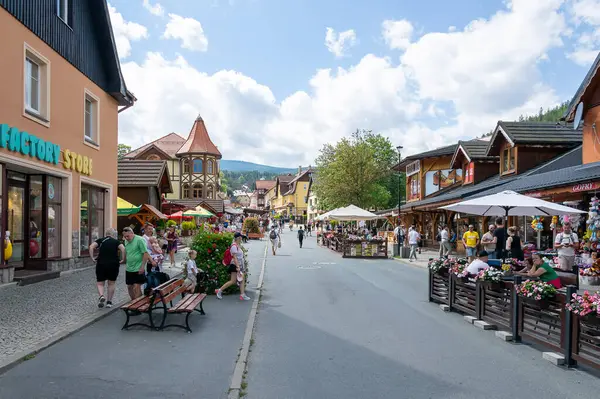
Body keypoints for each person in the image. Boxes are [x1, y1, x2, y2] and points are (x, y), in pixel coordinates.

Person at [89, 228, 125, 309]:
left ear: (106, 234)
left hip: (101, 263)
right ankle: (109, 302)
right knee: (111, 283)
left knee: (100, 283)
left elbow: (91, 247)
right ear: (113, 234)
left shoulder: (101, 240)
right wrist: (123, 259)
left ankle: (101, 296)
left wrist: (92, 258)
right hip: (113, 264)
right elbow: (123, 249)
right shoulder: (116, 241)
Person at [123, 227, 156, 302]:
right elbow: (126, 250)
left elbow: (145, 253)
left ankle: (138, 306)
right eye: (125, 236)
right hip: (129, 268)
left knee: (136, 287)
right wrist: (124, 260)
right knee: (129, 287)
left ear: (132, 233)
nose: (126, 238)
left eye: (128, 236)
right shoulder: (126, 241)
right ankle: (134, 302)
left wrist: (142, 267)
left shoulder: (140, 240)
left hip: (138, 268)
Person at [216, 233, 251, 301]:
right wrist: (238, 267)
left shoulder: (237, 245)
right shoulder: (234, 246)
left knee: (241, 278)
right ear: (238, 238)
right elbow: (234, 257)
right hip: (235, 265)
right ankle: (219, 290)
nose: (242, 239)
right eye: (241, 237)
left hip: (237, 265)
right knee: (233, 281)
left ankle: (242, 295)